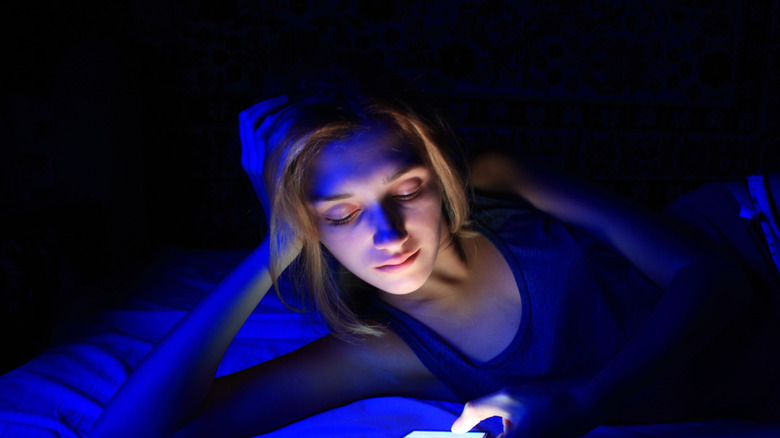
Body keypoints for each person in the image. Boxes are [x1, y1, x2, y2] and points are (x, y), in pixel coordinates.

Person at [91, 72, 780, 438]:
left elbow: (713, 278)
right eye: (343, 214)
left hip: (760, 235)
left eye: (408, 189)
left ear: (441, 174)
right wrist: (274, 243)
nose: (388, 234)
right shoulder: (380, 352)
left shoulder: (496, 178)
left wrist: (582, 404)